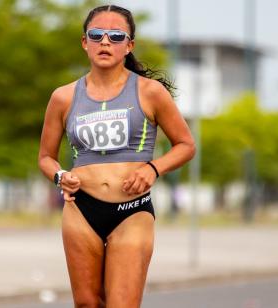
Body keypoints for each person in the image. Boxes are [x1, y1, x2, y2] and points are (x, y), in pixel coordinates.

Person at [38, 4, 195, 307]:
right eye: (96, 35)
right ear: (85, 42)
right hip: (81, 210)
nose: (105, 42)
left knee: (121, 304)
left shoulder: (150, 92)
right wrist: (60, 177)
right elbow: (46, 157)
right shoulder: (63, 97)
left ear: (129, 45)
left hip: (132, 210)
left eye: (115, 36)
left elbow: (186, 145)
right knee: (87, 304)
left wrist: (152, 169)